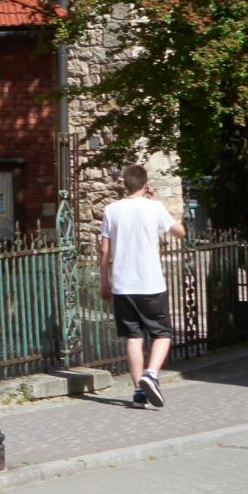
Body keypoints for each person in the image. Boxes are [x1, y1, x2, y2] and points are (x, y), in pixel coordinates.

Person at [99, 166, 182, 408]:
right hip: (150, 283)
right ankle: (151, 374)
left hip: (123, 285)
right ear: (146, 185)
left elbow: (104, 250)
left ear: (124, 184)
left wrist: (104, 281)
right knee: (162, 334)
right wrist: (158, 202)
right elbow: (180, 232)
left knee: (133, 337)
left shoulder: (111, 210)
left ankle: (138, 393)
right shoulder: (154, 207)